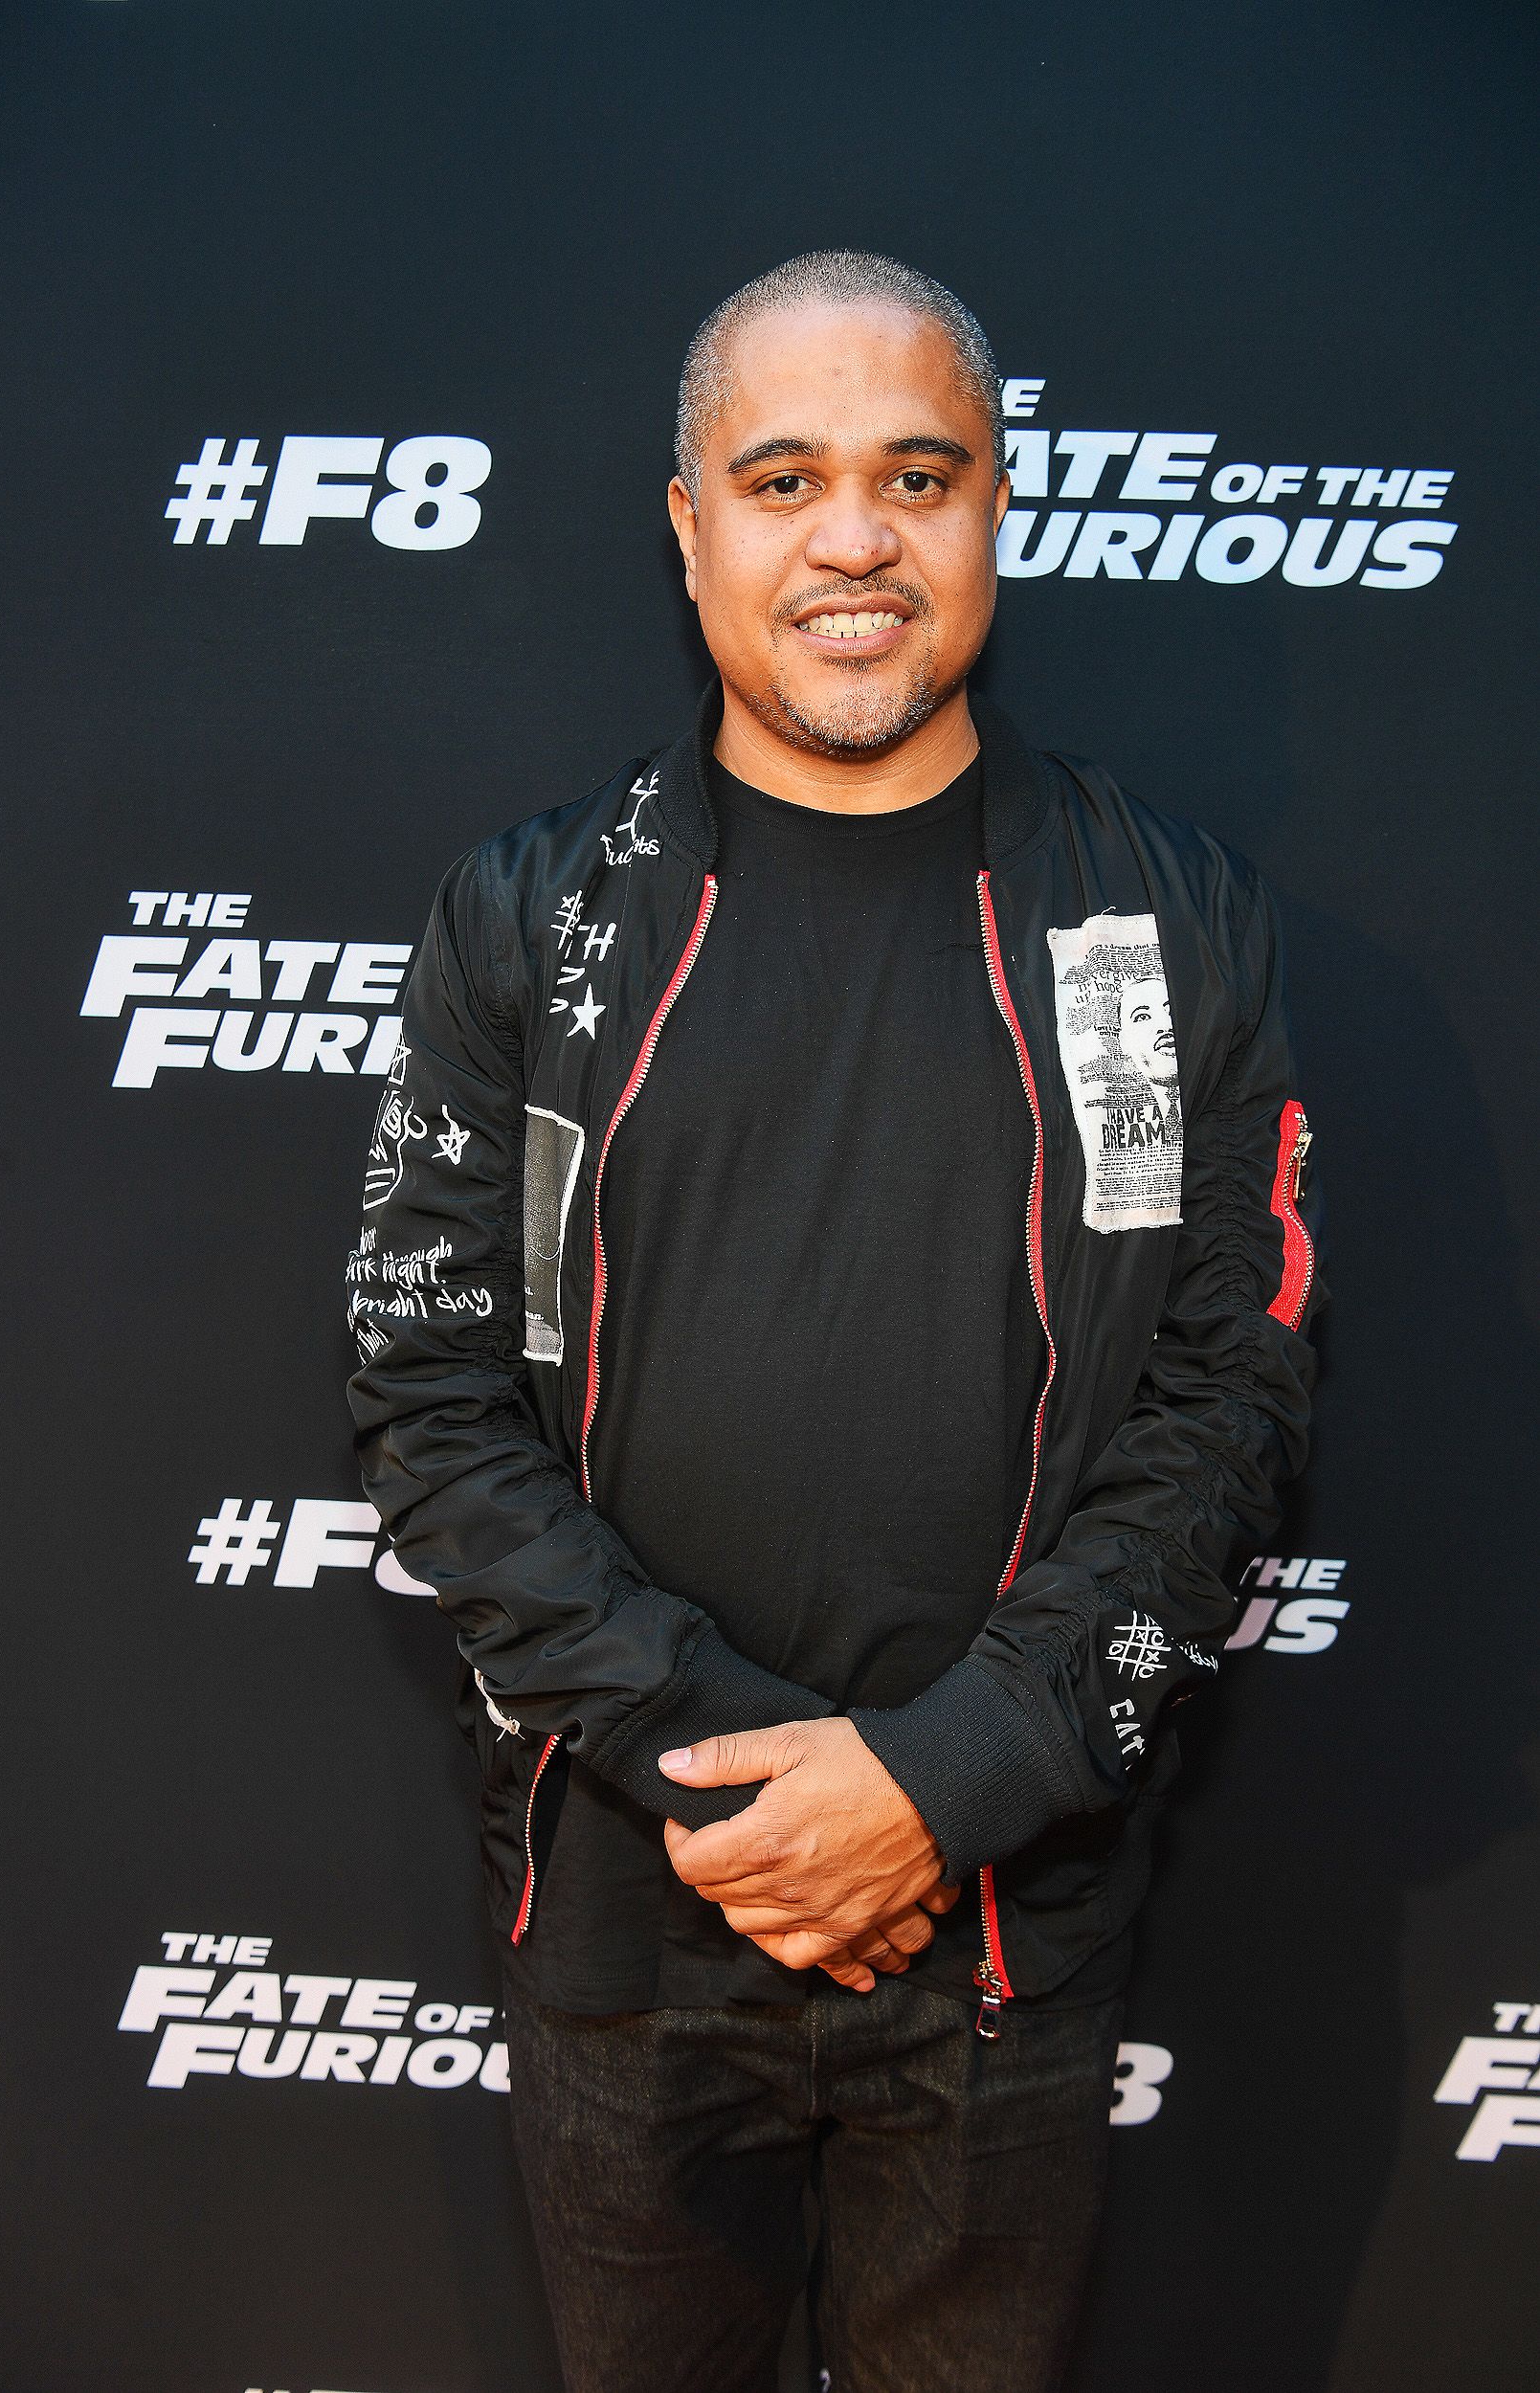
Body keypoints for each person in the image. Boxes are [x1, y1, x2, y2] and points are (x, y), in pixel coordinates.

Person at [346, 250, 1323, 2393]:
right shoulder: (531, 916)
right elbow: (431, 1394)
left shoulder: (1163, 920)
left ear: (999, 509)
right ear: (689, 523)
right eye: (784, 479)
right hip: (629, 1909)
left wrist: (945, 1781)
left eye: (919, 476)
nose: (855, 540)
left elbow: (1232, 1393)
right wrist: (739, 1783)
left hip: (1008, 1917)